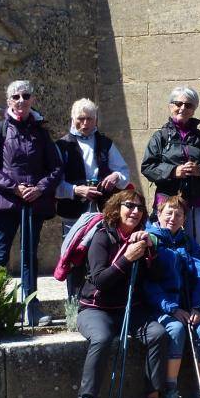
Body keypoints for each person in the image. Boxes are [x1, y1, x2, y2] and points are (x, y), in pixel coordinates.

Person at [75, 189, 171, 398]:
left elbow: (158, 276)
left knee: (158, 333)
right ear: (117, 209)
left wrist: (150, 251)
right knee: (102, 338)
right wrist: (126, 258)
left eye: (140, 208)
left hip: (131, 309)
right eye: (130, 206)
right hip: (96, 309)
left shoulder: (142, 238)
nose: (135, 211)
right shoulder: (102, 237)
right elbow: (100, 280)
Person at [0, 80, 63, 326]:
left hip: (33, 205)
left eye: (26, 96)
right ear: (8, 101)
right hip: (5, 203)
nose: (21, 101)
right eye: (16, 96)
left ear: (32, 100)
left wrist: (39, 189)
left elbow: (56, 168)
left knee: (30, 256)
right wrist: (15, 188)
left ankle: (32, 306)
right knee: (0, 256)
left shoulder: (40, 131)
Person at [145, 196, 200, 398]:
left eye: (178, 214)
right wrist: (171, 308)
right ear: (158, 214)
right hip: (162, 307)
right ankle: (170, 393)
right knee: (176, 330)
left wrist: (199, 306)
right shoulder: (151, 240)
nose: (173, 218)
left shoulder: (189, 242)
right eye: (168, 212)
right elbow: (148, 283)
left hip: (189, 306)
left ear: (184, 219)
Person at [55, 98, 132, 298]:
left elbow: (124, 172)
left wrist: (116, 176)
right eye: (81, 119)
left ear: (96, 120)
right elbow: (54, 184)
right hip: (73, 211)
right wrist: (76, 190)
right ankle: (73, 303)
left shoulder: (105, 143)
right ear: (72, 119)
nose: (86, 123)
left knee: (100, 254)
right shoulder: (62, 145)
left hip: (103, 208)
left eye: (90, 119)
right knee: (73, 254)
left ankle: (96, 300)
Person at [140, 86, 200, 244]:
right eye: (178, 103)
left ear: (193, 110)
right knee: (164, 243)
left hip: (198, 201)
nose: (183, 108)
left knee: (196, 245)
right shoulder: (160, 137)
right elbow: (148, 167)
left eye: (189, 105)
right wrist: (173, 171)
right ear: (170, 106)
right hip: (168, 200)